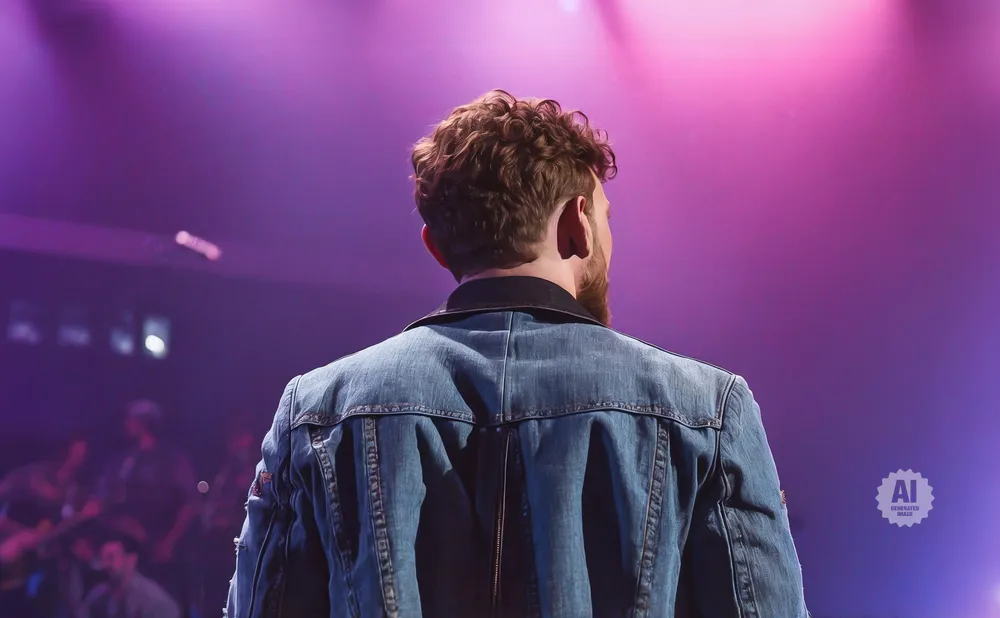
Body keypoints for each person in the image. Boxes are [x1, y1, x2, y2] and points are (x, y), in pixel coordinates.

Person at [227, 90, 808, 617]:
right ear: (579, 224)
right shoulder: (707, 411)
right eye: (605, 217)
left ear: (435, 246)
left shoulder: (317, 409)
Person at [78, 534, 180, 618]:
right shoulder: (97, 596)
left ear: (131, 559)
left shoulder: (155, 601)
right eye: (102, 558)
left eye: (111, 557)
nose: (105, 564)